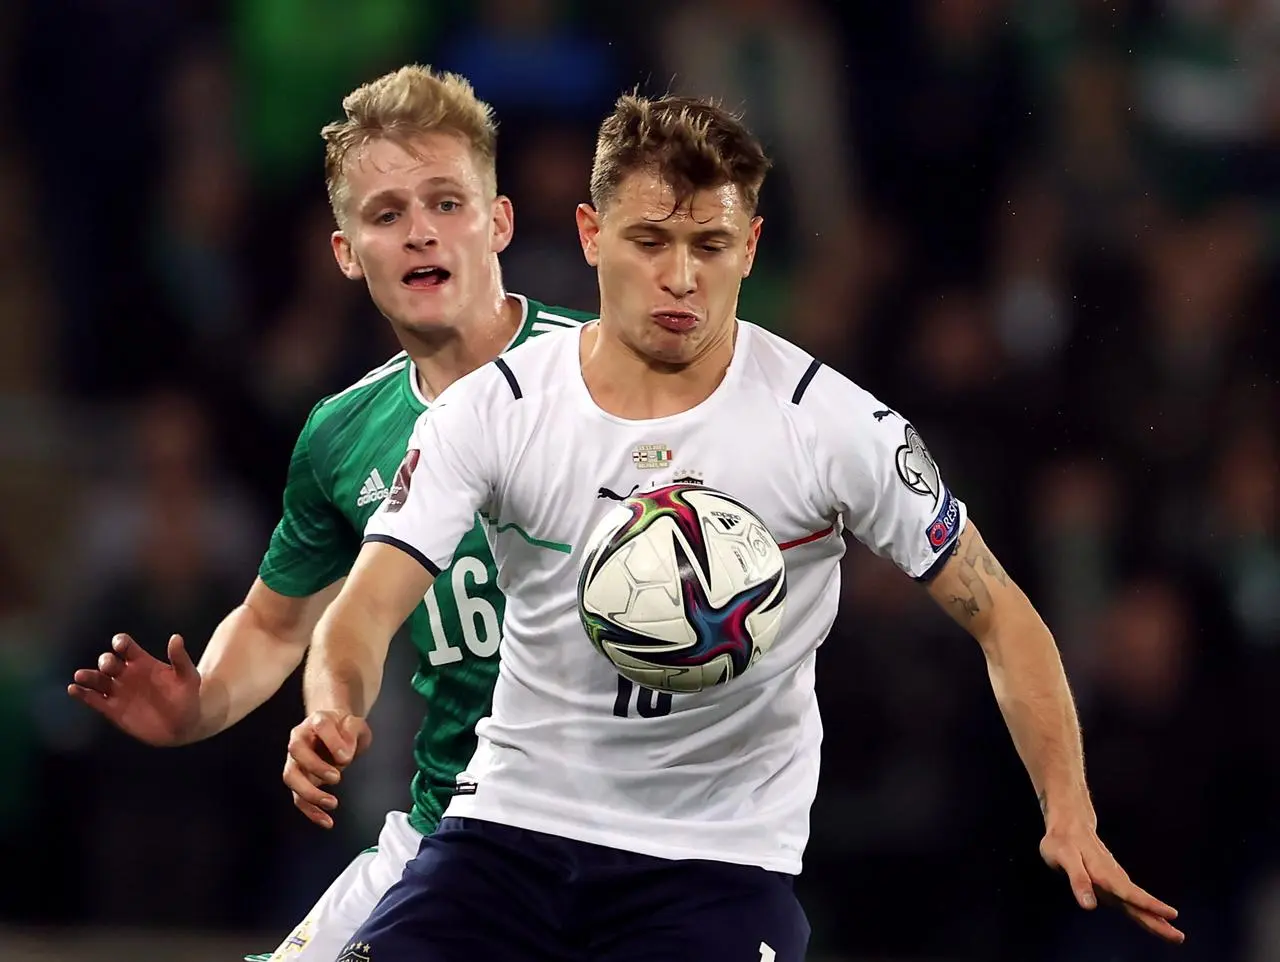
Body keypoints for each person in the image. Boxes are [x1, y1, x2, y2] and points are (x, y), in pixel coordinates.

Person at [289, 93, 1185, 961]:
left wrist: (1068, 808)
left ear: (751, 247)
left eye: (709, 244)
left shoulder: (831, 427)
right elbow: (362, 611)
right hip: (510, 830)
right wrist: (332, 710)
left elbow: (1002, 615)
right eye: (650, 241)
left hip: (715, 861)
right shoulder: (499, 410)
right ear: (591, 236)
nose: (681, 277)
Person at [65, 64, 594, 962]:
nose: (420, 230)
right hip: (456, 831)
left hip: (633, 835)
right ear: (347, 252)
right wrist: (201, 706)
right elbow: (277, 625)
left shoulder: (603, 377)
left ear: (498, 220)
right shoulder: (343, 433)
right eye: (386, 214)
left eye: (447, 203)